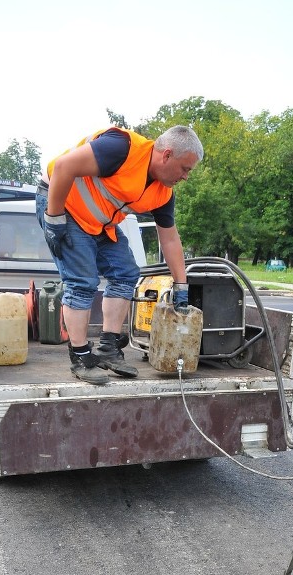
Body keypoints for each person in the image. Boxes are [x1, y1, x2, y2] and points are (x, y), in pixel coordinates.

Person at [36, 125, 204, 383]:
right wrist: (54, 217)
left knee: (126, 273)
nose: (185, 177)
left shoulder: (162, 193)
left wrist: (181, 284)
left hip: (98, 222)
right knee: (82, 282)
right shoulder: (120, 149)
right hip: (62, 205)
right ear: (167, 155)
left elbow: (169, 238)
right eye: (185, 168)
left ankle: (108, 348)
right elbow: (62, 167)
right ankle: (80, 356)